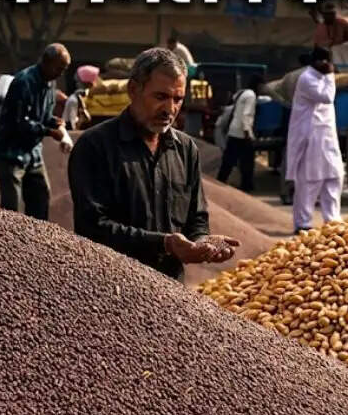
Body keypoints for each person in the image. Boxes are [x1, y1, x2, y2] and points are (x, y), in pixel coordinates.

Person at [69, 48, 239, 280]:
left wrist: (202, 242)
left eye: (177, 99)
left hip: (171, 290)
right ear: (133, 90)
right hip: (111, 286)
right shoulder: (95, 146)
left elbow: (196, 219)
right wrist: (164, 243)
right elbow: (92, 227)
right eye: (161, 97)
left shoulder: (186, 149)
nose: (170, 109)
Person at [0, 43, 73, 221]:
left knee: (41, 196)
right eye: (59, 68)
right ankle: (9, 242)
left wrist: (55, 122)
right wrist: (49, 132)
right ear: (46, 62)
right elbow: (20, 123)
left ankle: (36, 243)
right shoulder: (24, 82)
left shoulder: (50, 83)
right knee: (11, 206)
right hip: (11, 151)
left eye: (64, 69)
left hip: (32, 152)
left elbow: (42, 115)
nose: (62, 72)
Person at [286, 46, 344, 234]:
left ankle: (333, 220)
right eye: (325, 62)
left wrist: (329, 76)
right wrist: (331, 76)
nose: (328, 65)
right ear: (317, 62)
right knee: (309, 181)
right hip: (310, 137)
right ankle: (302, 223)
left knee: (334, 177)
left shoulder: (322, 76)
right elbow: (327, 97)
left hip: (327, 136)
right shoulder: (307, 78)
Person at [216, 74, 265, 193]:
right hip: (242, 133)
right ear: (258, 85)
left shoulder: (243, 92)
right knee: (247, 161)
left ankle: (220, 180)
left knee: (229, 159)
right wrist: (248, 133)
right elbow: (246, 115)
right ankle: (246, 185)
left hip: (234, 130)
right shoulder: (251, 96)